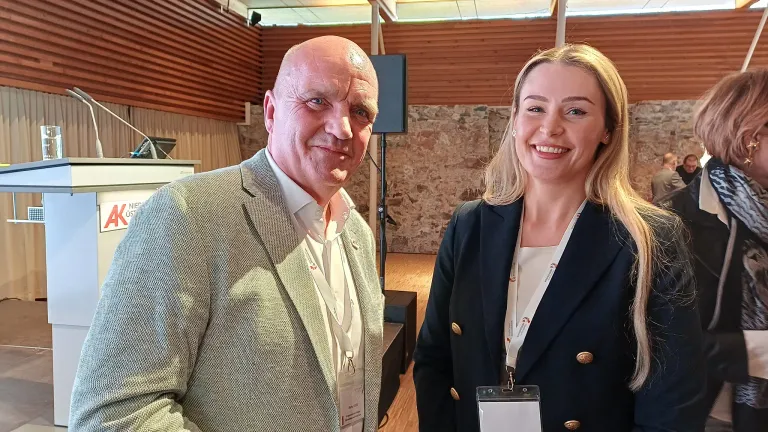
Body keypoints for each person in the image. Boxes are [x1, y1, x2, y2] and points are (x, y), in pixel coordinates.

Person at [69, 36, 384, 432]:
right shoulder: (188, 216)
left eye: (359, 112)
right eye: (317, 101)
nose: (341, 128)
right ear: (271, 112)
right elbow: (115, 415)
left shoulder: (356, 232)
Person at [413, 44, 706, 432]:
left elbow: (673, 404)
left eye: (576, 111)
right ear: (515, 120)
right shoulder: (470, 225)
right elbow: (434, 358)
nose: (550, 128)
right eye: (535, 108)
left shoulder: (649, 238)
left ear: (607, 130)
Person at [662, 69, 768, 432]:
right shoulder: (673, 222)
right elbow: (655, 340)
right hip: (713, 414)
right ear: (749, 137)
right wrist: (758, 352)